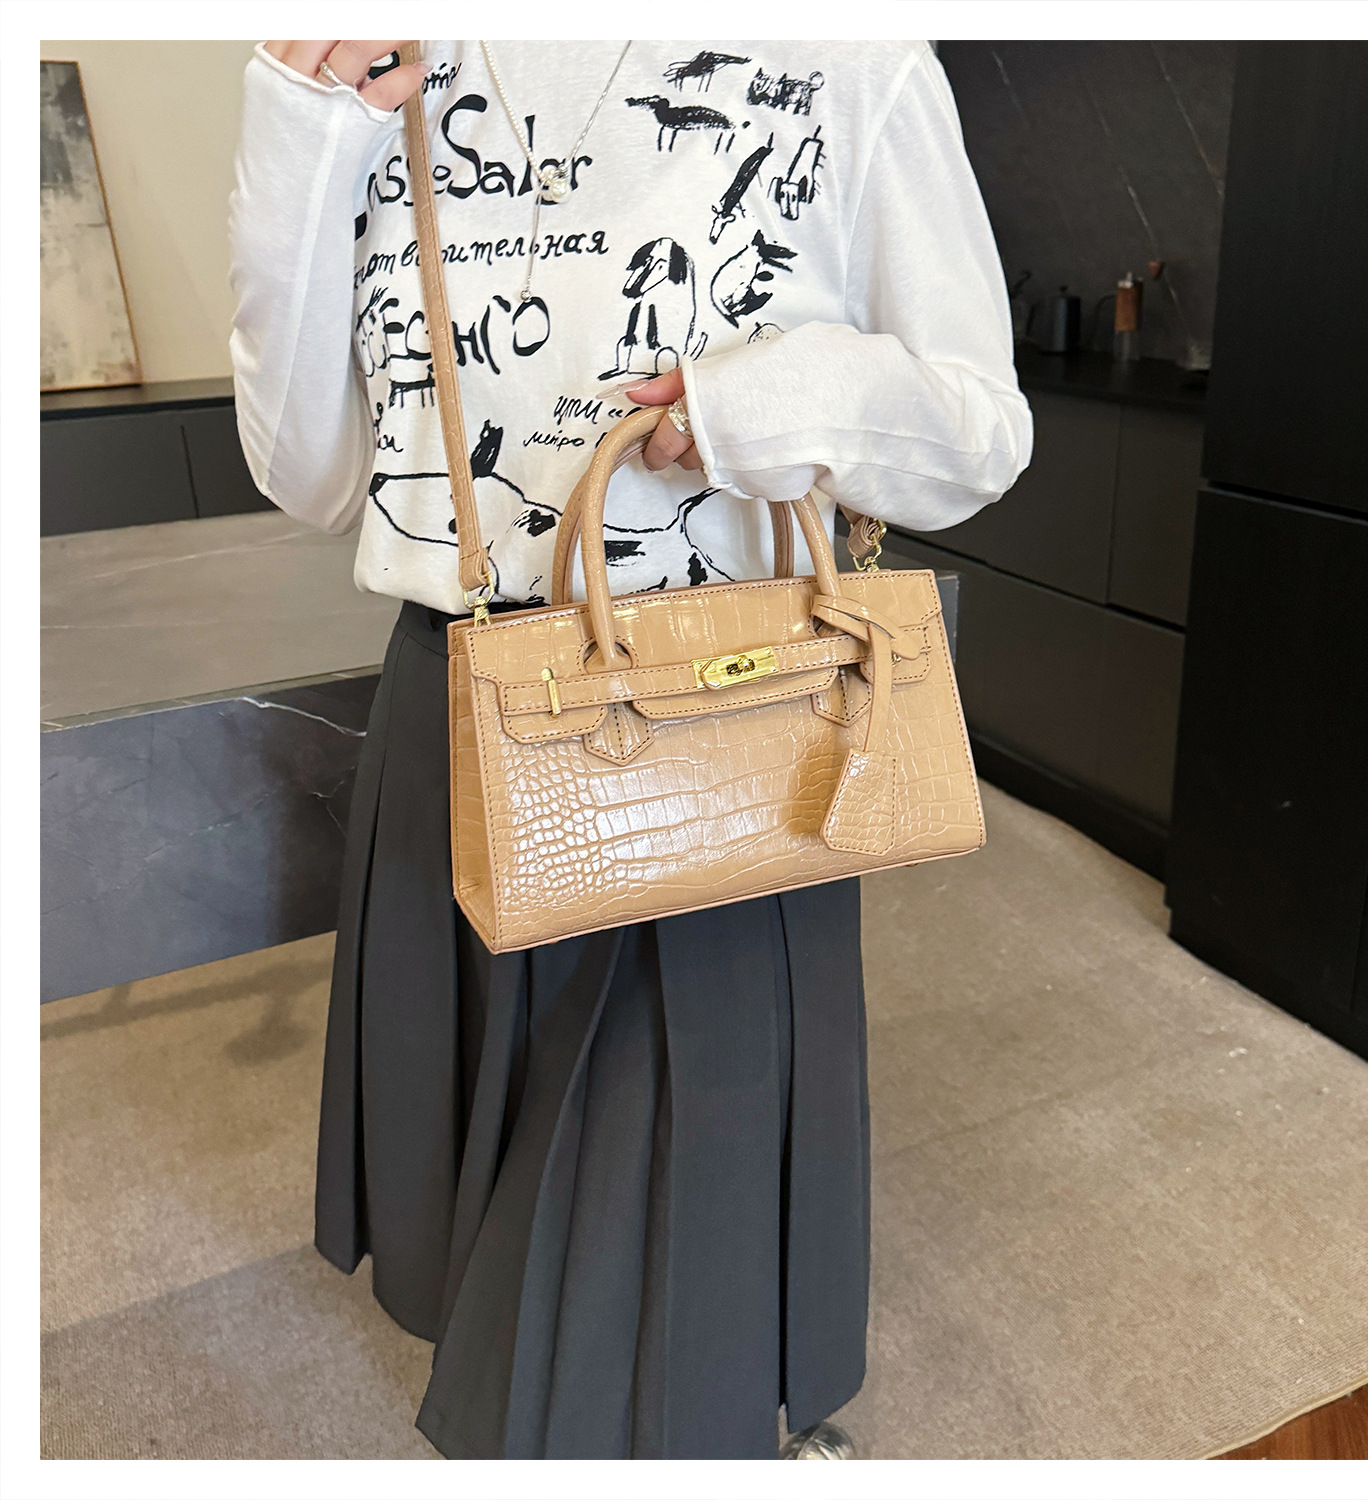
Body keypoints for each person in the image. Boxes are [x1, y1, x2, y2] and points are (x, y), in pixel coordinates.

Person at [229, 38, 1032, 1461]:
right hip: (465, 701)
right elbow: (317, 476)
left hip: (721, 713)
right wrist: (301, 141)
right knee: (498, 1202)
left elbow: (981, 428)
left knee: (666, 1229)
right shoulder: (374, 57)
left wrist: (756, 412)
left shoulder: (846, 54)